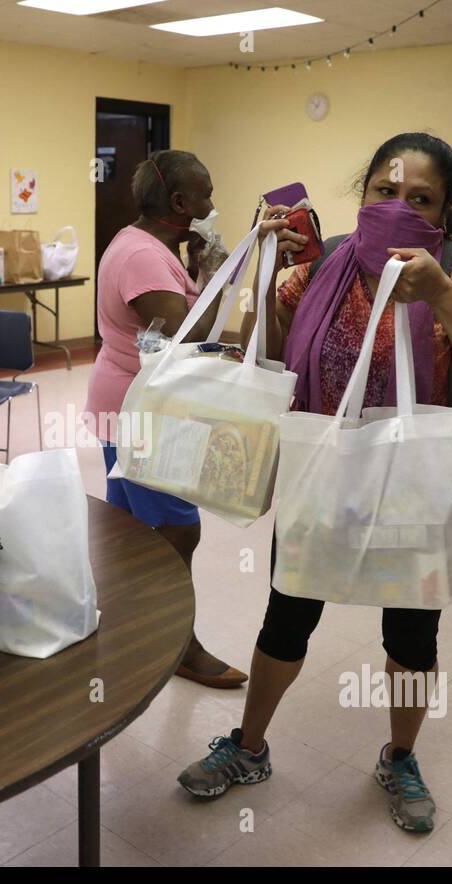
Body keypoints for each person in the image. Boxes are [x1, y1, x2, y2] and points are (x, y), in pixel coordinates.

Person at [177, 132, 452, 831]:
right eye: (384, 192)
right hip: (321, 468)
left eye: (418, 198)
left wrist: (446, 299)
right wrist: (262, 260)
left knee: (412, 636)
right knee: (286, 617)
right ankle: (249, 747)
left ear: (444, 210)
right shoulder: (326, 263)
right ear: (363, 194)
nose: (397, 206)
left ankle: (399, 757)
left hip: (412, 483)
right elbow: (266, 355)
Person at [85, 149, 304, 689]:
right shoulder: (143, 258)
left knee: (130, 531)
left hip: (130, 405)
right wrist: (225, 266)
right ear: (180, 202)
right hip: (145, 413)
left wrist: (209, 269)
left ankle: (127, 623)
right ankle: (179, 643)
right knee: (179, 532)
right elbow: (186, 343)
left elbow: (183, 328)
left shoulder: (146, 245)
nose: (212, 203)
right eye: (205, 194)